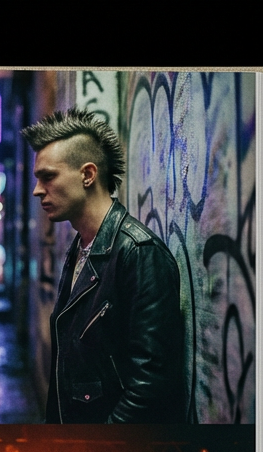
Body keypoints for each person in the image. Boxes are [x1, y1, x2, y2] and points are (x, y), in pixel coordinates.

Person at [21, 108, 187, 424]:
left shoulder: (138, 253)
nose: (37, 190)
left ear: (87, 174)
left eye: (49, 177)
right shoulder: (82, 245)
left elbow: (151, 381)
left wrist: (101, 447)